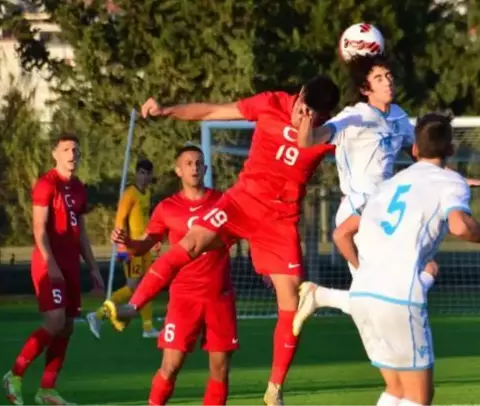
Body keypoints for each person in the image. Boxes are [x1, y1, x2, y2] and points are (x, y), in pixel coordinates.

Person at [103, 75, 340, 406]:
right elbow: (212, 112)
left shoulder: (330, 131)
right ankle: (131, 306)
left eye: (312, 112)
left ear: (324, 114)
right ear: (298, 93)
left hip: (279, 222)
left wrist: (316, 121)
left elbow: (306, 143)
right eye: (302, 105)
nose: (303, 113)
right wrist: (167, 110)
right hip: (241, 203)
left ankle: (274, 388)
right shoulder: (271, 103)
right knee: (190, 244)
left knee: (293, 302)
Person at [316, 112, 480, 406]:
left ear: (416, 150)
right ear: (451, 150)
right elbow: (460, 226)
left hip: (362, 294)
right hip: (399, 298)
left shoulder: (388, 185)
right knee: (419, 397)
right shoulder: (450, 182)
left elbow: (341, 234)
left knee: (395, 390)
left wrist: (368, 271)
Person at [293, 55, 480, 334]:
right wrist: (306, 121)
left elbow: (426, 157)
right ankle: (326, 299)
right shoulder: (354, 116)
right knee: (391, 292)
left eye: (389, 76)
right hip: (358, 208)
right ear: (365, 89)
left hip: (385, 208)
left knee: (408, 280)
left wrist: (456, 179)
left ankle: (322, 297)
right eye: (379, 78)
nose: (388, 82)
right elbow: (309, 141)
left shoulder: (399, 117)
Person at [110, 145, 236, 406]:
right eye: (188, 163)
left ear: (206, 168)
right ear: (178, 170)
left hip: (219, 297)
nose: (194, 167)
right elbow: (145, 244)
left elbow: (248, 233)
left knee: (220, 370)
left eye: (198, 163)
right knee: (170, 365)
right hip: (184, 297)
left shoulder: (222, 202)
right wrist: (128, 243)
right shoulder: (167, 208)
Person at [3, 134, 105, 406]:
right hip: (49, 263)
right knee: (56, 321)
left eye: (76, 150)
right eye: (66, 149)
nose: (72, 154)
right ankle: (15, 374)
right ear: (55, 154)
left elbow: (81, 234)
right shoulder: (46, 185)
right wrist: (49, 262)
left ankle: (47, 389)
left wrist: (93, 268)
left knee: (68, 327)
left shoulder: (80, 188)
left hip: (71, 265)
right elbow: (39, 229)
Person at [86, 159, 159, 339]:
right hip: (133, 247)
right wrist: (122, 248)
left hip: (145, 246)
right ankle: (98, 315)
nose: (144, 177)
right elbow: (120, 221)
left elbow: (146, 220)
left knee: (147, 284)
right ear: (136, 174)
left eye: (147, 173)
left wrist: (154, 239)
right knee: (132, 287)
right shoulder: (129, 194)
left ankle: (148, 327)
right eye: (141, 173)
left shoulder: (147, 193)